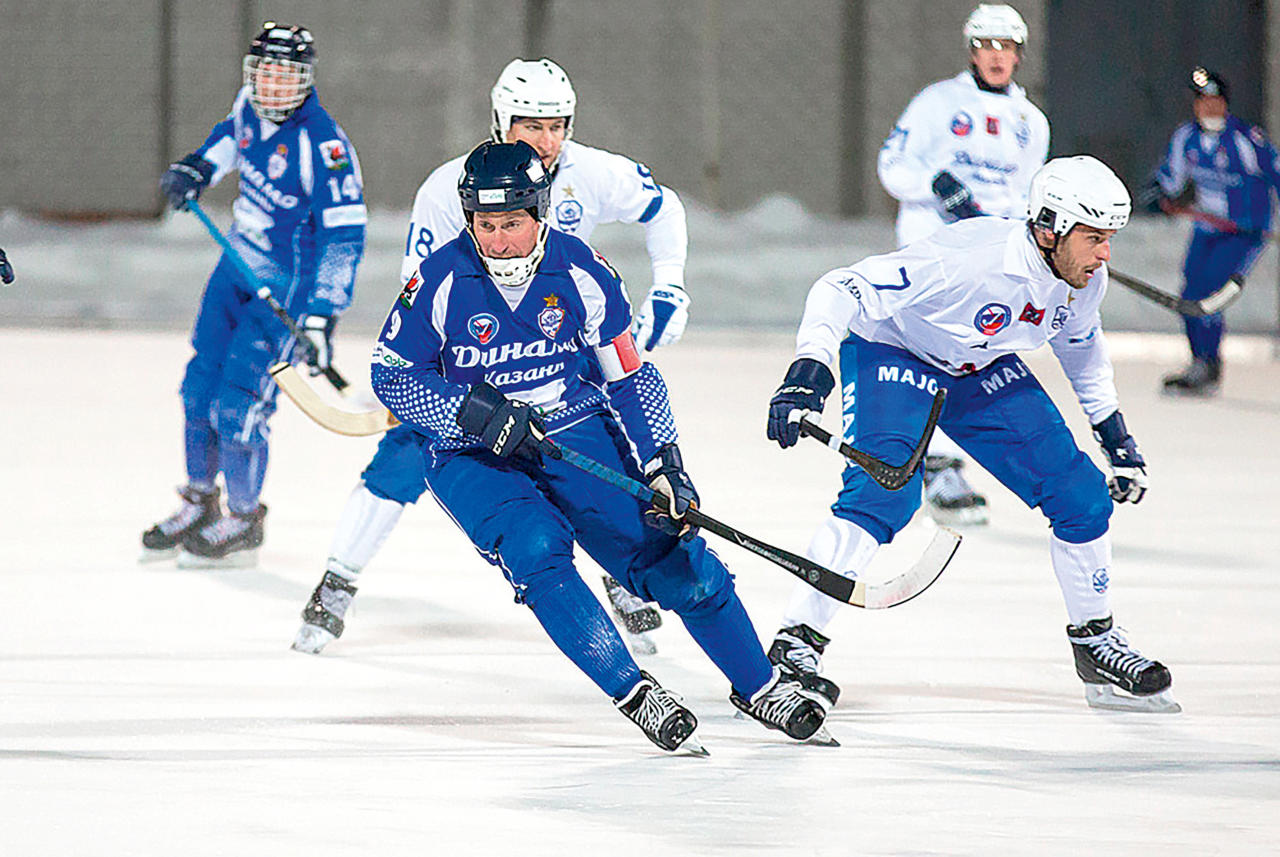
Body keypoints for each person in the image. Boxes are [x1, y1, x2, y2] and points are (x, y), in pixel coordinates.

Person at [364, 139, 831, 751]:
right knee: (536, 548)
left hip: (573, 429)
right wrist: (473, 412)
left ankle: (760, 685)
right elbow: (391, 373)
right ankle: (636, 691)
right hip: (472, 453)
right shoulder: (440, 279)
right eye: (484, 224)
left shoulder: (584, 271)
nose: (498, 240)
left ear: (540, 212)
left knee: (677, 561)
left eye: (511, 224)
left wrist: (664, 461)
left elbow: (631, 375)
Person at [292, 58, 688, 655]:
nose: (548, 141)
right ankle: (338, 580)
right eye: (533, 126)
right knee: (403, 458)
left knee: (602, 450)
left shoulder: (592, 170)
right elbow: (422, 301)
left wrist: (670, 284)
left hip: (558, 351)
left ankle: (620, 573)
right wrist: (455, 396)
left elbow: (664, 208)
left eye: (558, 126)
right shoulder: (449, 189)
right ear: (502, 121)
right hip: (471, 371)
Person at [764, 155, 1179, 714]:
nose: (1106, 254)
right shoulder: (968, 260)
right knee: (882, 494)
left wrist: (1115, 436)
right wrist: (811, 365)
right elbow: (842, 285)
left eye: (1110, 239)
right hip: (896, 350)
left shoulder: (1084, 280)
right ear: (1052, 226)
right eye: (1096, 237)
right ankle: (796, 641)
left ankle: (1095, 642)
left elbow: (1081, 352)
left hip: (977, 367)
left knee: (1079, 494)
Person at [140, 22, 366, 567]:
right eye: (265, 71)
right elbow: (227, 142)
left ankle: (243, 518)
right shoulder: (248, 106)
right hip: (235, 267)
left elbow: (344, 236)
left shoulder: (324, 144)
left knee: (238, 406)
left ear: (305, 80)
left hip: (284, 289)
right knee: (198, 389)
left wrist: (320, 317)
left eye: (286, 73)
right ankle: (200, 499)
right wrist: (195, 168)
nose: (273, 84)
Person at [877, 3, 1050, 526]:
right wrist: (936, 184)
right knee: (922, 356)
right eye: (986, 46)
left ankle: (939, 458)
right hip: (932, 255)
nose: (996, 56)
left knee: (972, 360)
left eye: (1005, 47)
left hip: (989, 263)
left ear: (1019, 54)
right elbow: (893, 164)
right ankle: (928, 463)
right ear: (972, 50)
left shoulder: (1031, 123)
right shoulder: (938, 102)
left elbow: (1026, 197)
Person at [1140, 67, 1280, 396]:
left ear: (1224, 103)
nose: (1207, 108)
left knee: (1210, 292)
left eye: (1213, 101)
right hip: (1207, 229)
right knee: (1189, 293)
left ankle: (1209, 363)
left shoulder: (1245, 139)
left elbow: (1276, 173)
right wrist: (1157, 194)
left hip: (1244, 232)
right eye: (1201, 101)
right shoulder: (1186, 137)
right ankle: (1201, 361)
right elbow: (1169, 179)